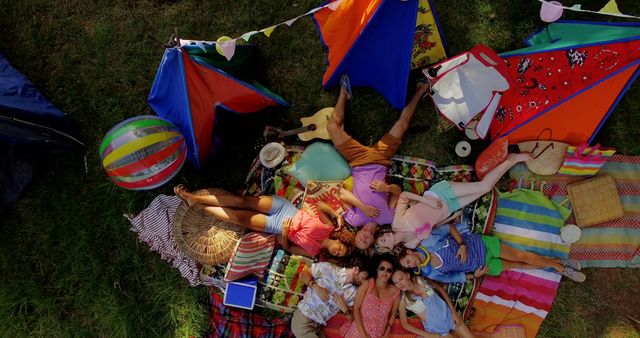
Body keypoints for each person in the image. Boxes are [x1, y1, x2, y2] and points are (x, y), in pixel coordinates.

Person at [327, 74, 431, 251]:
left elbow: (342, 193)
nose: (363, 237)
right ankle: (421, 89)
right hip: (381, 159)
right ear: (373, 240)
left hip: (357, 160)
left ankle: (344, 93)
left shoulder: (352, 219)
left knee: (331, 127)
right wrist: (387, 189)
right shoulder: (387, 219)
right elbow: (398, 192)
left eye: (359, 239)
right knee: (402, 124)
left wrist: (362, 207)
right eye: (366, 241)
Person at [373, 153, 533, 253]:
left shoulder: (397, 223)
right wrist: (450, 218)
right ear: (389, 249)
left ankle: (512, 159)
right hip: (449, 208)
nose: (385, 235)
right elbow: (432, 226)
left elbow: (404, 196)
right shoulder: (411, 245)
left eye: (382, 236)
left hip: (439, 195)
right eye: (384, 240)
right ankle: (509, 162)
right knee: (484, 189)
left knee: (484, 186)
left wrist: (427, 202)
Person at [173, 185, 353, 258]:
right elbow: (321, 204)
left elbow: (288, 248)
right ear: (340, 240)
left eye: (337, 255)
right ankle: (191, 196)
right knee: (242, 201)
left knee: (238, 218)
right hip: (285, 209)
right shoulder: (328, 227)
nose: (337, 251)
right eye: (341, 249)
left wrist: (284, 232)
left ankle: (197, 203)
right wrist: (336, 215)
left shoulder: (314, 253)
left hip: (278, 227)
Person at [397, 223, 586, 283]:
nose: (410, 264)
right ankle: (557, 261)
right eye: (408, 266)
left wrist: (462, 245)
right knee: (519, 266)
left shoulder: (428, 242)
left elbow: (449, 228)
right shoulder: (429, 272)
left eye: (407, 260)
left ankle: (559, 267)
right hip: (482, 267)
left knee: (521, 255)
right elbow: (454, 278)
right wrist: (475, 275)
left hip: (482, 246)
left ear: (408, 251)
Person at [292, 256, 369, 338]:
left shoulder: (354, 292)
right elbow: (303, 274)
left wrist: (345, 309)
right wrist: (315, 287)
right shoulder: (328, 268)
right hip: (304, 318)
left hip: (318, 326)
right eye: (363, 277)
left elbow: (352, 319)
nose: (362, 282)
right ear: (356, 269)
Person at [392, 269, 473, 338]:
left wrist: (453, 312)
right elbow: (404, 324)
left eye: (401, 279)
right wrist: (428, 335)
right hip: (437, 331)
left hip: (450, 317)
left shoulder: (421, 279)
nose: (400, 284)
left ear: (407, 275)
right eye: (396, 283)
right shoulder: (403, 300)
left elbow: (441, 290)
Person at [340, 254, 401, 338]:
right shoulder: (367, 283)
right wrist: (363, 335)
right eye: (382, 268)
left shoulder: (396, 292)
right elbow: (356, 309)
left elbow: (392, 314)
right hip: (358, 332)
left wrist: (386, 334)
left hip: (379, 334)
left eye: (389, 270)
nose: (385, 272)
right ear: (377, 269)